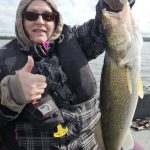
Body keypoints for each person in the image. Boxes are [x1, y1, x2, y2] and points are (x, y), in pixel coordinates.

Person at [0, 0, 143, 150]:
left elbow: (100, 29)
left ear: (56, 20)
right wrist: (12, 94)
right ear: (20, 20)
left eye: (48, 16)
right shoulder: (3, 61)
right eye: (31, 15)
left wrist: (114, 6)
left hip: (93, 141)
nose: (40, 21)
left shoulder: (74, 40)